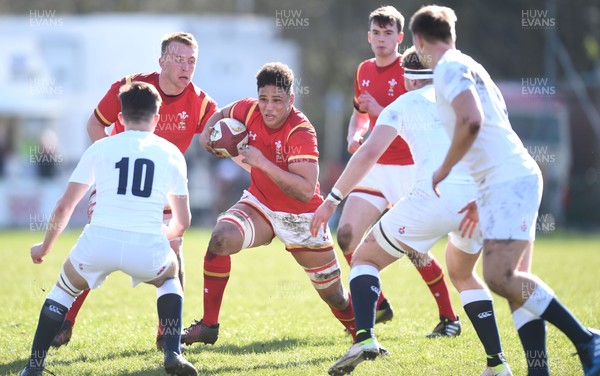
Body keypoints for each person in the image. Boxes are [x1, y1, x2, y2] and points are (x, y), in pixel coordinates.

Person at [409, 5, 600, 376]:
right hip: (506, 181)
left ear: (418, 41)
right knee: (516, 284)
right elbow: (496, 130)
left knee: (499, 276)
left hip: (509, 181)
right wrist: (482, 198)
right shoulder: (470, 65)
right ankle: (539, 370)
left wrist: (444, 168)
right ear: (452, 33)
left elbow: (473, 121)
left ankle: (587, 340)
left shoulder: (447, 68)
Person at [311, 47, 511, 376]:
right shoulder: (468, 98)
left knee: (364, 258)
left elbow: (368, 154)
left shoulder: (403, 103)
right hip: (478, 201)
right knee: (462, 274)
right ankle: (497, 363)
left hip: (433, 196)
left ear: (408, 79)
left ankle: (364, 337)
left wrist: (332, 198)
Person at [51, 31, 218, 350]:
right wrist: (117, 160)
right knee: (94, 251)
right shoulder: (130, 87)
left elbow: (220, 132)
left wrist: (235, 146)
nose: (186, 67)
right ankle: (65, 322)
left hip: (161, 188)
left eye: (192, 61)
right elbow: (94, 125)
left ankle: (168, 335)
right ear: (161, 62)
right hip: (118, 183)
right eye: (179, 59)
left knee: (175, 254)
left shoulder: (200, 101)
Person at [20, 82, 197, 376]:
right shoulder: (171, 153)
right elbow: (183, 221)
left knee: (63, 290)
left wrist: (44, 248)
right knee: (169, 279)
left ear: (121, 118)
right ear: (156, 118)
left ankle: (33, 366)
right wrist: (159, 235)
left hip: (98, 241)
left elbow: (65, 207)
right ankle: (172, 352)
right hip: (146, 248)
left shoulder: (100, 147)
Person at [179, 62, 357, 346]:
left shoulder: (301, 132)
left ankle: (362, 334)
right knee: (220, 240)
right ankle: (209, 326)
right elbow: (222, 113)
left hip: (301, 216)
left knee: (334, 295)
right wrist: (207, 133)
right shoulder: (249, 109)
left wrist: (262, 162)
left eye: (276, 100)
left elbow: (304, 189)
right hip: (260, 204)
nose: (268, 107)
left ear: (290, 100)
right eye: (264, 99)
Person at [338, 5, 460, 336]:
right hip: (375, 167)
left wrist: (379, 112)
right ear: (368, 36)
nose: (381, 39)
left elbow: (415, 117)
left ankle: (450, 317)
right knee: (347, 236)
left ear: (400, 37)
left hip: (409, 168)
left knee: (415, 250)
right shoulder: (363, 69)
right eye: (375, 33)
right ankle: (378, 303)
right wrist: (355, 133)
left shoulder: (411, 68)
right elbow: (360, 113)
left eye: (387, 33)